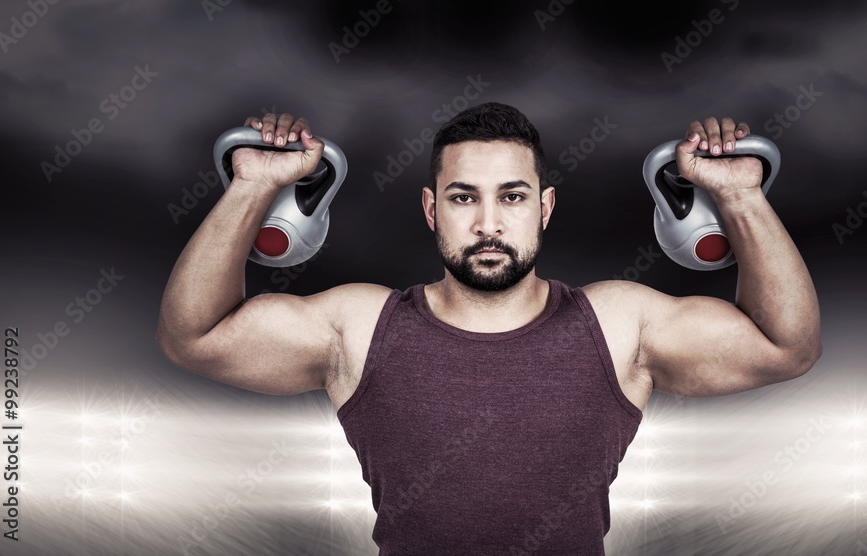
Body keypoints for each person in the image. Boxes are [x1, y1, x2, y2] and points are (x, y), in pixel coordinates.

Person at [155, 102, 822, 555]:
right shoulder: (360, 327)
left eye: (511, 196)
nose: (488, 224)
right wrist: (252, 186)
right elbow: (195, 337)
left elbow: (785, 346)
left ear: (544, 208)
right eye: (463, 197)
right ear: (431, 209)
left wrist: (737, 195)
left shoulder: (618, 325)